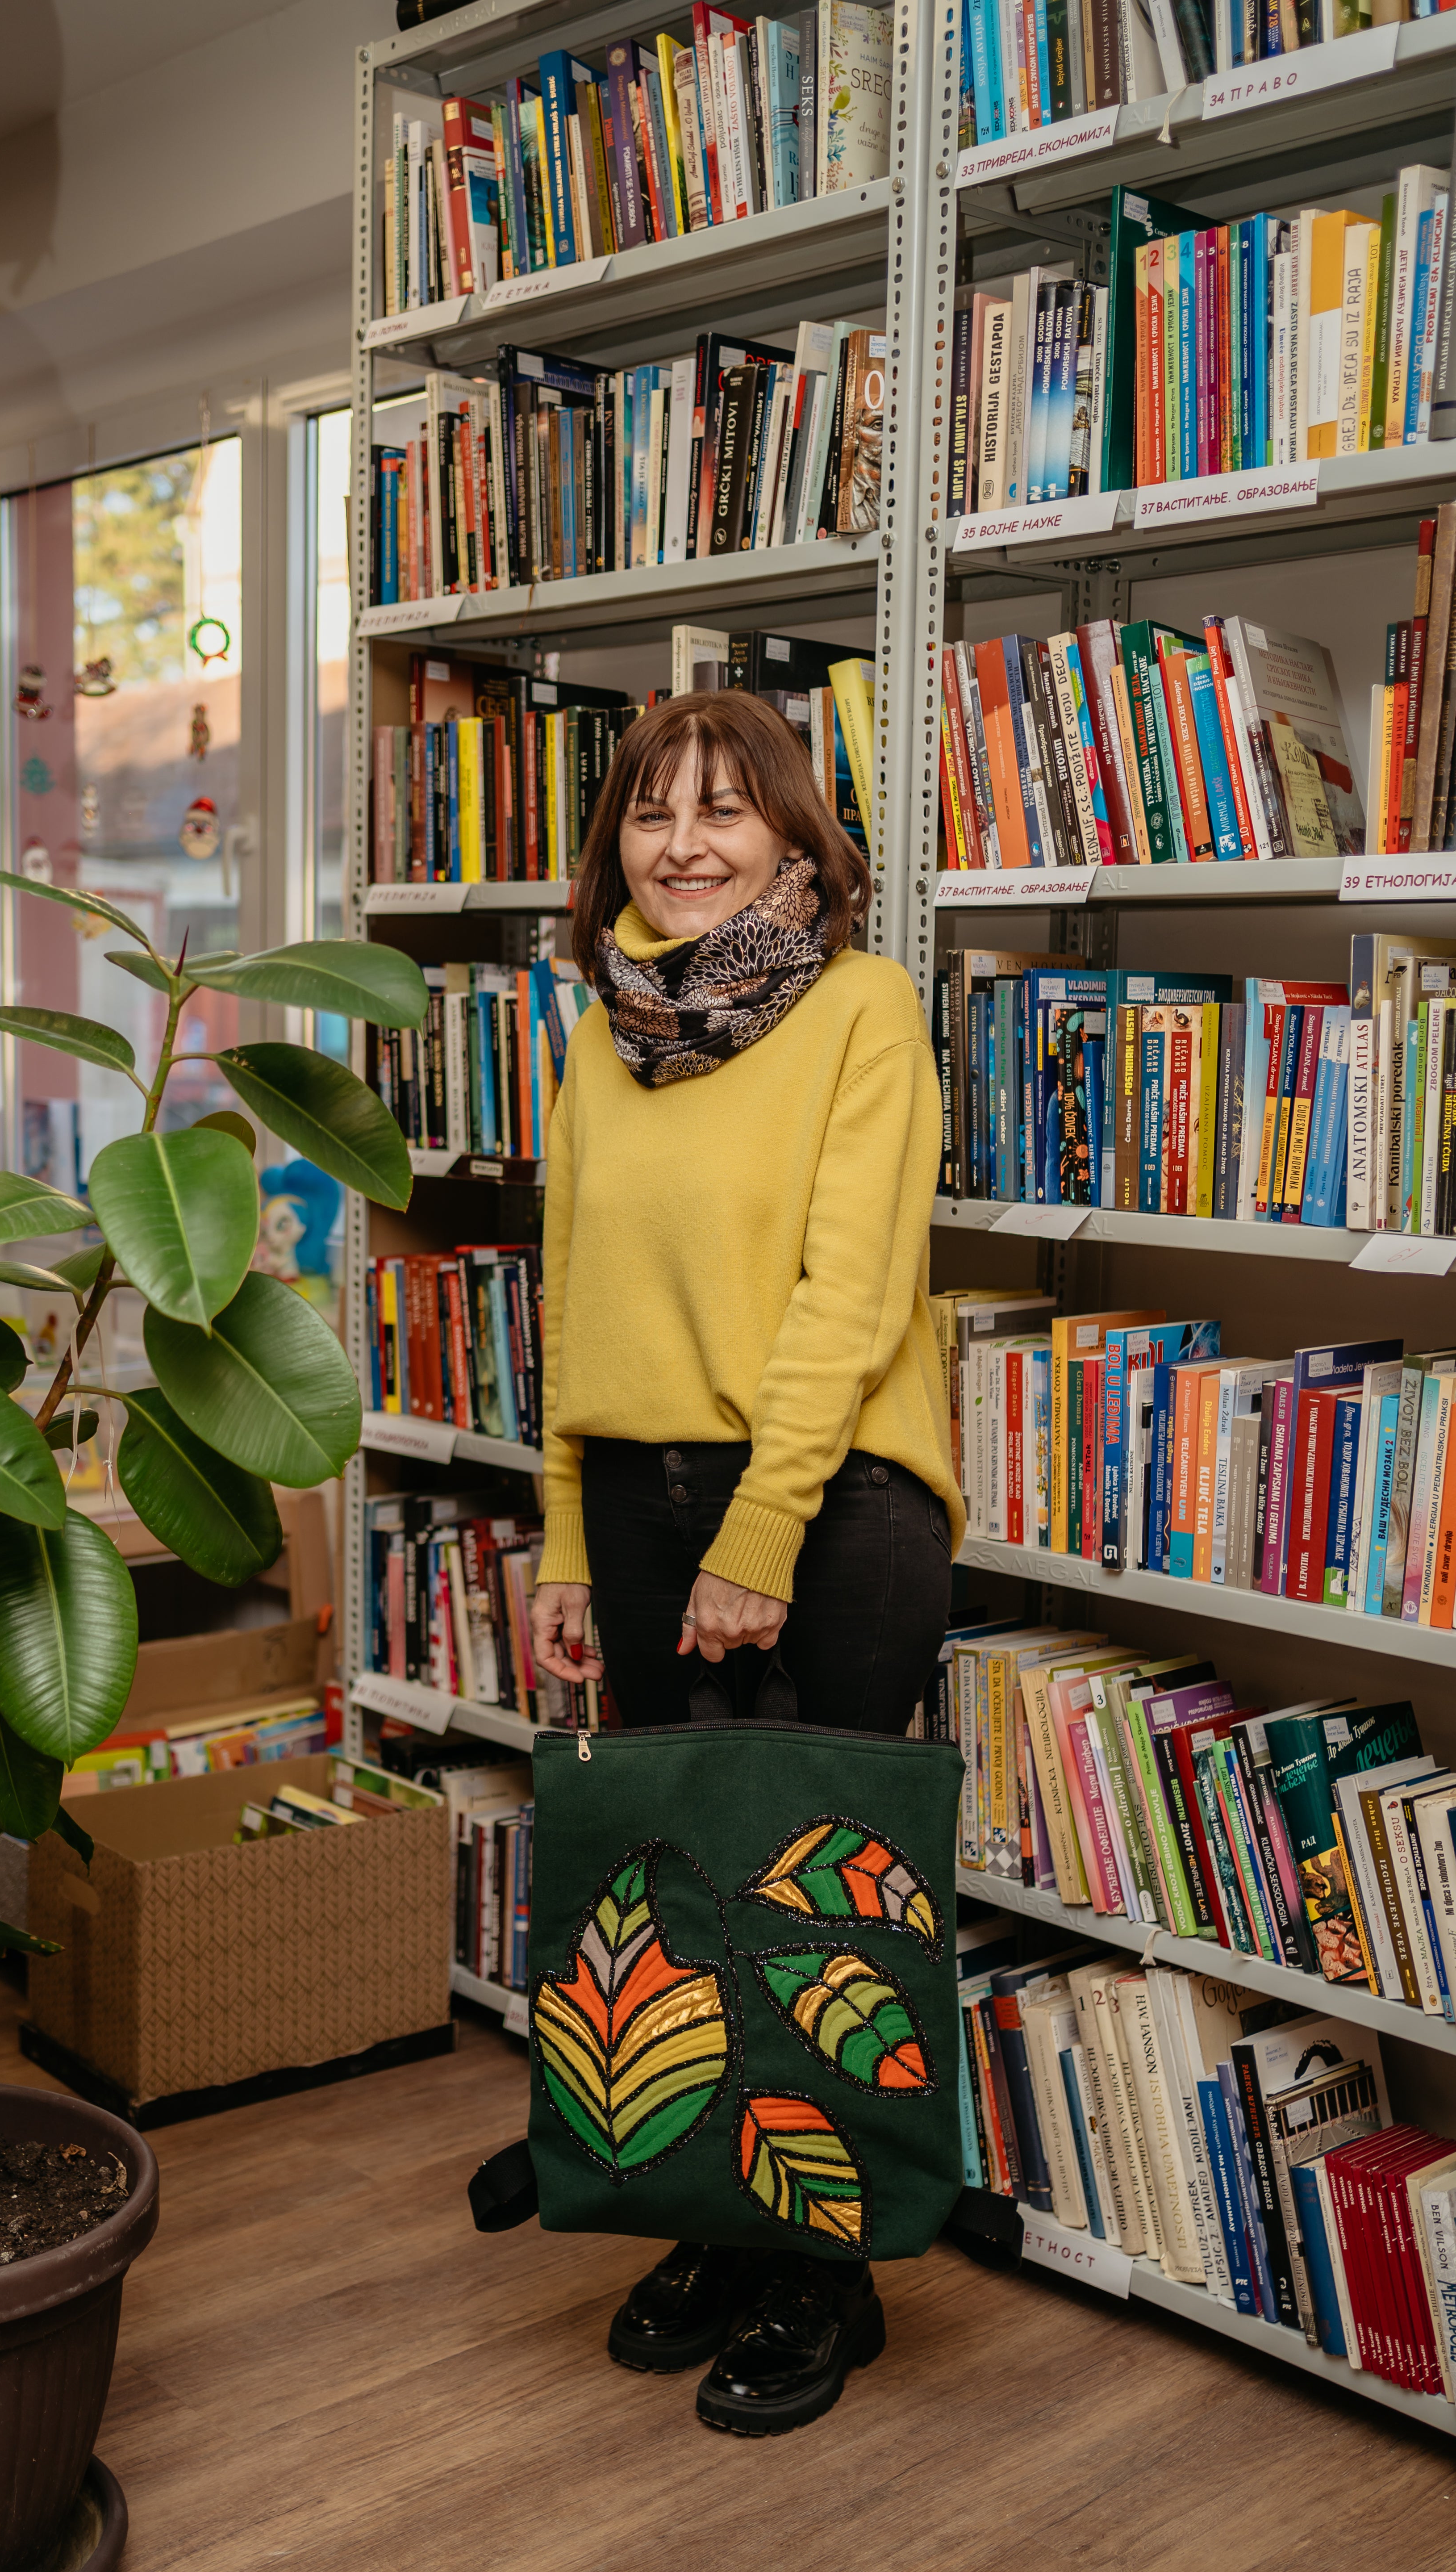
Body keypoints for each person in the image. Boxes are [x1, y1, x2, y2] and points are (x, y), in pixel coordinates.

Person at [529, 687, 964, 2440]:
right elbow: (575, 1300)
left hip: (833, 1501)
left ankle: (827, 2271)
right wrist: (568, 1537)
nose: (686, 841)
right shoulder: (598, 1034)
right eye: (651, 811)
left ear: (793, 834)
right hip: (637, 1497)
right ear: (613, 842)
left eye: (726, 808)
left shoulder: (862, 1010)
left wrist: (757, 1537)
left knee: (814, 1914)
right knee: (673, 1891)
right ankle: (721, 2214)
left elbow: (848, 1298)